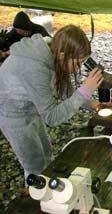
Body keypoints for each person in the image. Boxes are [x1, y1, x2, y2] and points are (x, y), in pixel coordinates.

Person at [0, 24, 103, 179]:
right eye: (78, 62)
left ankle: (47, 189)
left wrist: (91, 104)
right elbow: (52, 117)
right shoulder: (35, 68)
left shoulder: (53, 51)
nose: (79, 67)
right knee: (34, 165)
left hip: (30, 107)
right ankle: (35, 198)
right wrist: (84, 91)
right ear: (62, 55)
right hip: (12, 115)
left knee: (46, 154)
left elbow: (64, 90)